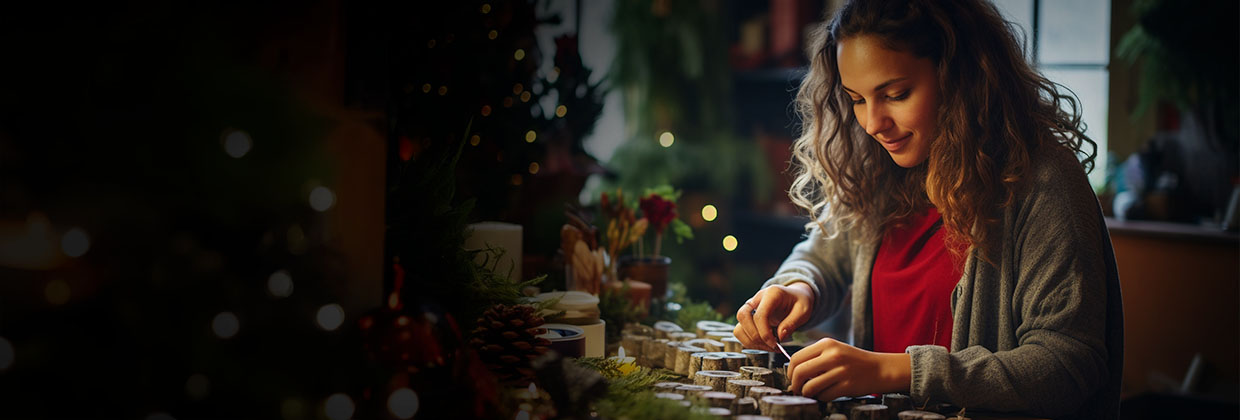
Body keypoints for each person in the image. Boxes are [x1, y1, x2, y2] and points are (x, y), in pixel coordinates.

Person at [732, 0, 1124, 418]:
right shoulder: (879, 168)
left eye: (895, 95)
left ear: (959, 77)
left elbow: (1067, 365)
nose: (872, 123)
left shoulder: (1040, 179)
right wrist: (798, 287)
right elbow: (824, 256)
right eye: (857, 99)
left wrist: (893, 370)